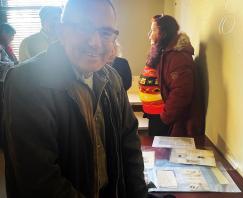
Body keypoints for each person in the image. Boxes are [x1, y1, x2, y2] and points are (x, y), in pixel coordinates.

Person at [3, 0, 147, 198]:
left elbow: (130, 148)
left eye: (105, 33)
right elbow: (39, 179)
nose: (94, 42)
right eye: (83, 28)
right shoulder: (27, 80)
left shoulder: (112, 79)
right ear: (62, 32)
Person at [144, 14, 203, 137]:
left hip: (167, 120)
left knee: (161, 154)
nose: (149, 34)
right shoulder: (162, 52)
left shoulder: (178, 57)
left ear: (164, 33)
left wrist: (164, 117)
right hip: (157, 114)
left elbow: (181, 93)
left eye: (153, 30)